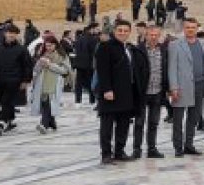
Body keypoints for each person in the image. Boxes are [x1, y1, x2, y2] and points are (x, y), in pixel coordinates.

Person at [95, 20, 140, 164]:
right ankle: (106, 154)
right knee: (107, 125)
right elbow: (102, 71)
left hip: (126, 93)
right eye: (120, 30)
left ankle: (119, 152)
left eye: (126, 30)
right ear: (114, 31)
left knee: (124, 124)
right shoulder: (105, 47)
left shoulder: (127, 48)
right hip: (111, 93)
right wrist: (107, 89)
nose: (123, 33)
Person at [0, 25, 33, 135]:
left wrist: (25, 80)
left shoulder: (22, 50)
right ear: (5, 33)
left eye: (14, 33)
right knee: (4, 101)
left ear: (16, 35)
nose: (11, 35)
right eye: (9, 32)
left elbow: (27, 66)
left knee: (6, 101)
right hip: (0, 81)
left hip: (14, 81)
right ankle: (10, 120)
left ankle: (2, 123)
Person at [167, 19, 204, 157]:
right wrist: (174, 87)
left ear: (197, 29)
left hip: (200, 85)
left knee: (194, 117)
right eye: (188, 27)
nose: (190, 29)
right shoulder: (175, 45)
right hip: (181, 87)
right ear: (184, 29)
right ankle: (178, 147)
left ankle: (189, 144)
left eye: (193, 27)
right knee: (178, 119)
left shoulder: (203, 44)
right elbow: (171, 68)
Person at [132, 26, 167, 159]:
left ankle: (152, 148)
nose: (153, 37)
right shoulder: (138, 50)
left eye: (156, 35)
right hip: (142, 91)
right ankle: (137, 149)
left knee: (153, 122)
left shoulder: (163, 50)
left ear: (159, 36)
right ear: (146, 36)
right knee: (139, 122)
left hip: (157, 90)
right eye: (151, 35)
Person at [29, 36, 70, 133]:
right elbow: (36, 70)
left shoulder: (62, 56)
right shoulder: (43, 55)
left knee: (48, 103)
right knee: (44, 103)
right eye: (46, 46)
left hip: (54, 83)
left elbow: (65, 70)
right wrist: (39, 64)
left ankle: (44, 124)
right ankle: (51, 122)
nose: (48, 48)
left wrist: (50, 65)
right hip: (42, 83)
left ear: (55, 45)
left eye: (50, 45)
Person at [71, 23, 98, 108]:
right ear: (91, 29)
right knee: (91, 83)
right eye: (96, 29)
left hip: (79, 64)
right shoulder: (93, 39)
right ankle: (92, 100)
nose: (97, 31)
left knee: (78, 83)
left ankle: (78, 101)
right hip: (89, 65)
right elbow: (94, 53)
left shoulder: (79, 38)